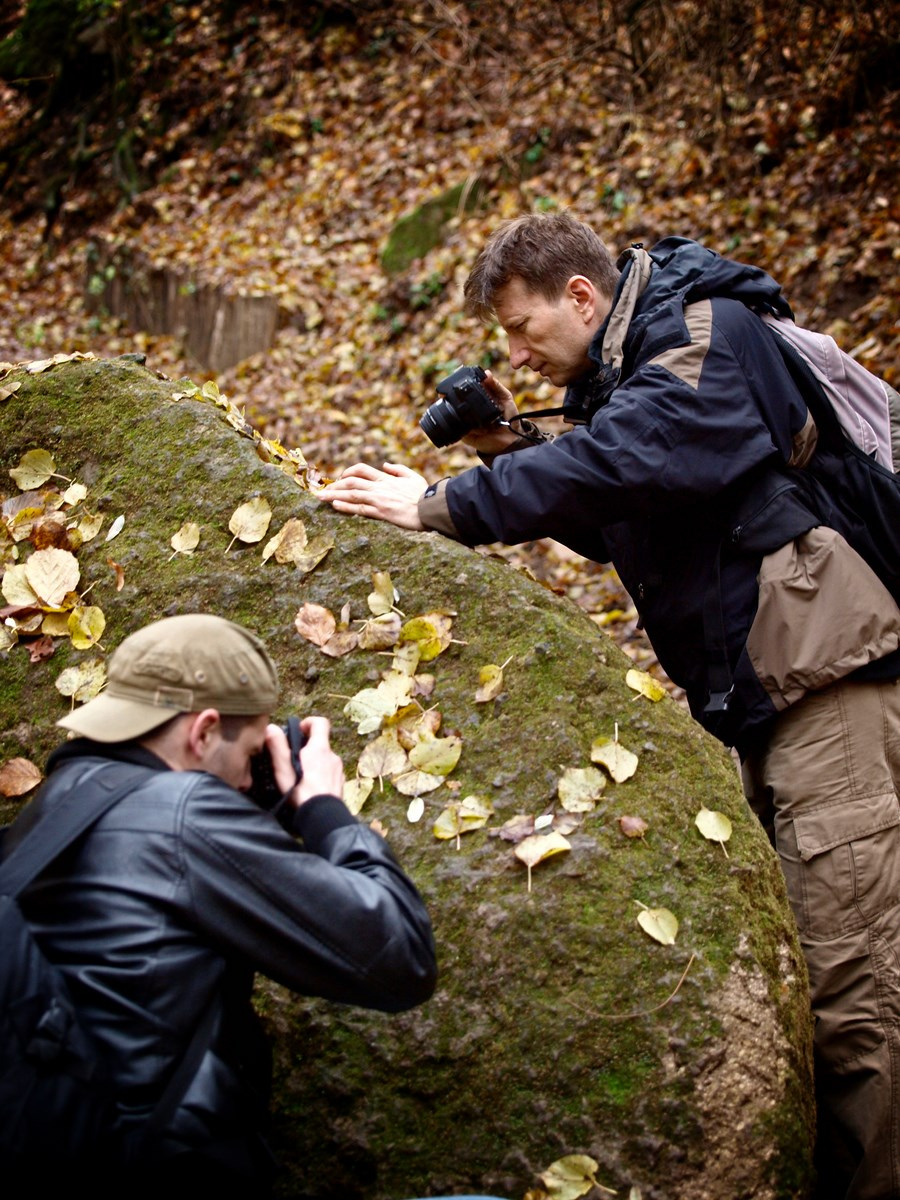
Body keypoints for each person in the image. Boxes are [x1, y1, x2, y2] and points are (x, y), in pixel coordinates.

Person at [318, 211, 900, 1200]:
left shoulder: (706, 331)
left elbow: (623, 464)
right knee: (822, 978)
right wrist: (507, 444)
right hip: (778, 703)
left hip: (834, 698)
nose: (514, 354)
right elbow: (626, 511)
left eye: (520, 330)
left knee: (857, 997)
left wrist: (439, 502)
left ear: (580, 297)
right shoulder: (637, 375)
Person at [2, 613, 437, 1196]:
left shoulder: (55, 805)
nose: (242, 780)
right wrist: (323, 808)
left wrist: (256, 812)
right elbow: (399, 957)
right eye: (252, 749)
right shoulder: (181, 814)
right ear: (203, 732)